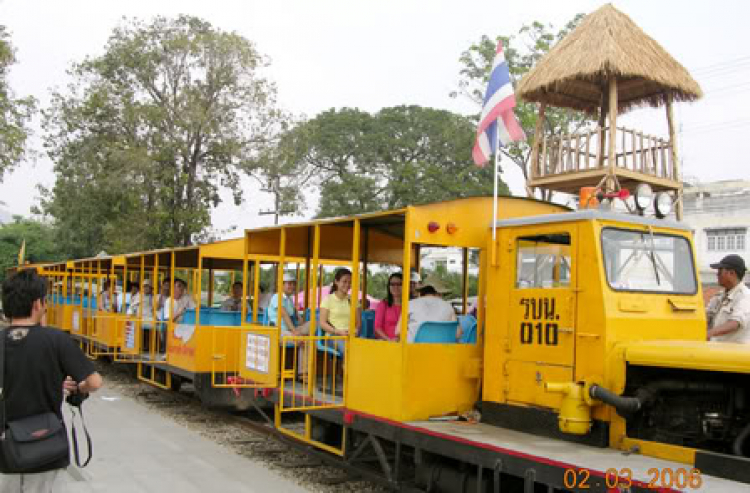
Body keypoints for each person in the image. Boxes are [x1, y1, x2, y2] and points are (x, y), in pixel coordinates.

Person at [0, 269, 103, 490]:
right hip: (45, 450)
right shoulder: (56, 340)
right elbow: (94, 382)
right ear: (38, 304)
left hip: (5, 451)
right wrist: (78, 387)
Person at [396, 275, 457, 343]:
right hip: (440, 351)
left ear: (421, 291)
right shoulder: (448, 306)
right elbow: (457, 333)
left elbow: (398, 332)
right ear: (438, 293)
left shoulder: (409, 304)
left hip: (414, 351)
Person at [706, 254, 750, 343]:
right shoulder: (719, 296)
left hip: (736, 354)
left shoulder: (745, 296)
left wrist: (707, 334)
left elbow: (734, 323)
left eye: (720, 272)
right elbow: (706, 316)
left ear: (731, 273)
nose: (717, 275)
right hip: (716, 351)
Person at [320, 268, 360, 355]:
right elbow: (322, 323)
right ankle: (346, 368)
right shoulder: (328, 299)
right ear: (336, 282)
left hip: (350, 336)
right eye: (344, 281)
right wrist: (337, 331)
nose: (348, 284)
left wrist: (355, 330)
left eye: (350, 282)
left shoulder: (353, 300)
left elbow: (358, 323)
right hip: (333, 336)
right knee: (348, 350)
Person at [266, 273, 309, 337]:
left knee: (313, 324)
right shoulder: (277, 297)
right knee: (301, 340)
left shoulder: (289, 299)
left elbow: (297, 315)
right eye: (289, 284)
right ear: (282, 285)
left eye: (294, 284)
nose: (292, 286)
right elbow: (285, 315)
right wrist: (294, 331)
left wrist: (303, 325)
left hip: (289, 329)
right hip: (279, 331)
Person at [373, 272, 402, 341]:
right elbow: (377, 328)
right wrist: (389, 340)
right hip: (387, 343)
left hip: (405, 343)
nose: (395, 287)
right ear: (388, 287)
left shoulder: (410, 305)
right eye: (392, 284)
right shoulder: (383, 304)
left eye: (399, 284)